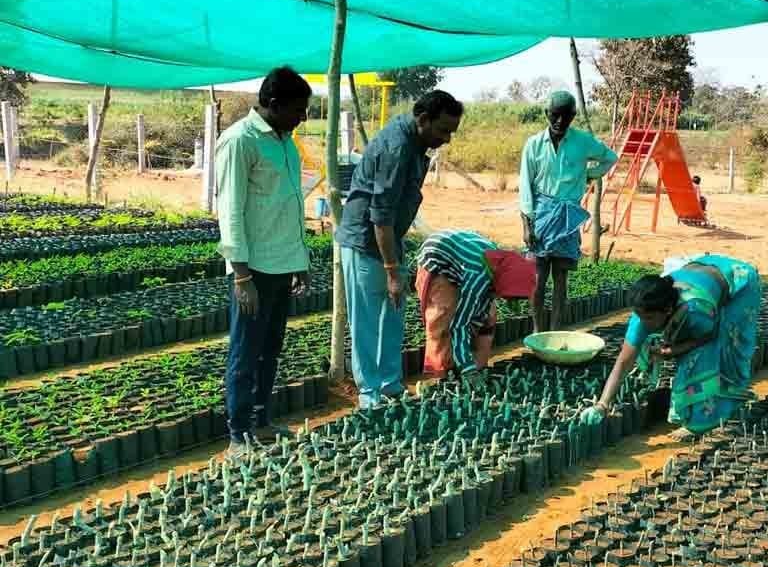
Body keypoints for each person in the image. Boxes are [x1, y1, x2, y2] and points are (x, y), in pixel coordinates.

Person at [337, 90, 463, 410]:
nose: (446, 138)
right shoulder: (397, 148)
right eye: (443, 130)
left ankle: (391, 384)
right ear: (422, 120)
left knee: (392, 315)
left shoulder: (416, 143)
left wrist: (395, 259)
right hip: (365, 241)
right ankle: (369, 393)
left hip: (390, 240)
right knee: (366, 319)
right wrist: (392, 270)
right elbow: (380, 215)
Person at [216, 66, 313, 454]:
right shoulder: (240, 141)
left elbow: (289, 203)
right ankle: (238, 432)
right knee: (245, 350)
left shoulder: (285, 141)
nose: (302, 118)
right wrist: (241, 276)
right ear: (273, 104)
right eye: (298, 109)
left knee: (270, 347)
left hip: (282, 262)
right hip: (253, 268)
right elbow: (230, 211)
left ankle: (262, 419)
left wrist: (299, 258)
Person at [584, 255, 760, 437]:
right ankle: (698, 408)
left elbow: (709, 336)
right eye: (641, 316)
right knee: (683, 350)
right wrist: (602, 404)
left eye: (650, 318)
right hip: (703, 271)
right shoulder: (644, 313)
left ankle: (705, 420)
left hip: (739, 283)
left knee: (722, 351)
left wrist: (675, 350)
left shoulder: (696, 310)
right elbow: (624, 361)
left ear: (668, 310)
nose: (645, 323)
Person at [519, 91, 618, 333]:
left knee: (561, 278)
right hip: (541, 215)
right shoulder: (533, 144)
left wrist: (587, 175)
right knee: (538, 277)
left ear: (573, 116)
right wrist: (526, 225)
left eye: (566, 116)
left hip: (568, 216)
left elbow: (610, 158)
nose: (560, 121)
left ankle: (555, 329)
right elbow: (525, 186)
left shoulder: (582, 141)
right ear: (546, 114)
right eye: (555, 115)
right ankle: (536, 330)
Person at [415, 230, 536, 376]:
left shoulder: (500, 265)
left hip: (464, 258)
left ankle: (477, 367)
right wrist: (468, 371)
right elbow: (459, 325)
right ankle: (442, 374)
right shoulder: (477, 279)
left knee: (487, 318)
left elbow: (486, 300)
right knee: (443, 319)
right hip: (437, 258)